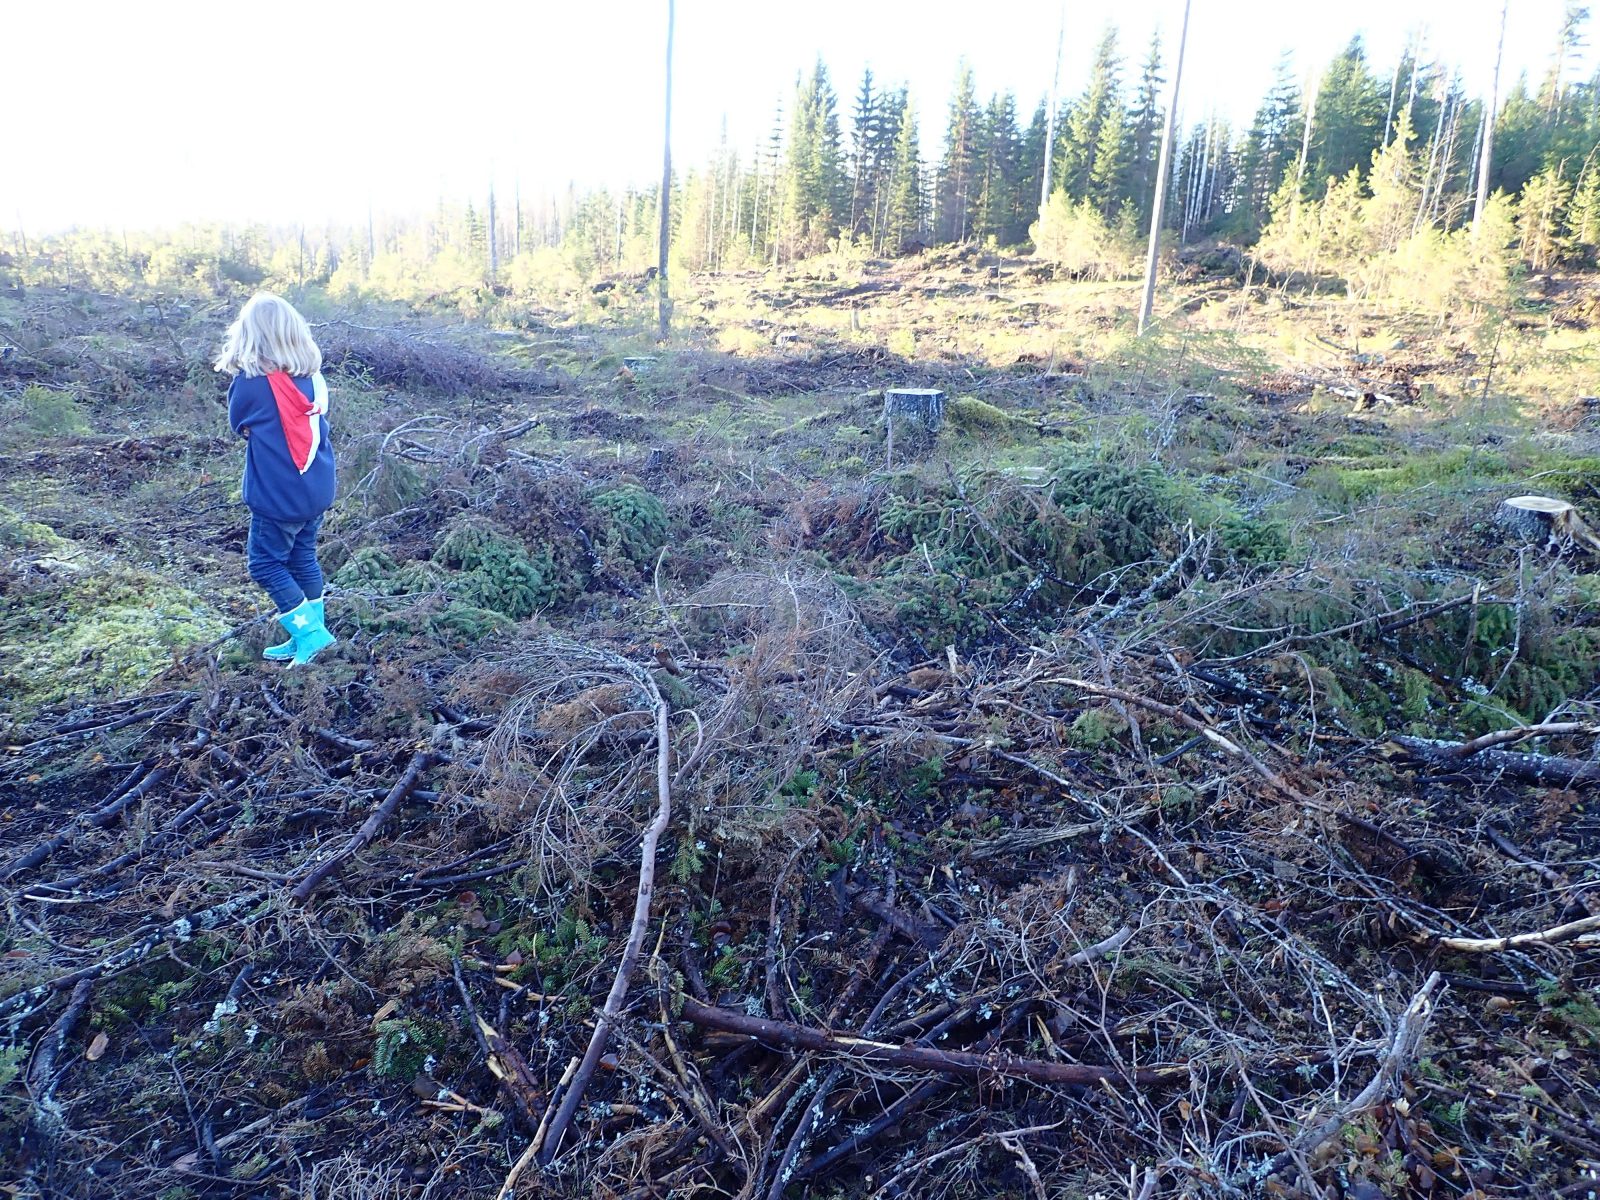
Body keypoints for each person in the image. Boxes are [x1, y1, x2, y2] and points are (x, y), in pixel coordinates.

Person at [217, 292, 337, 666]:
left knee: (265, 565)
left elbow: (239, 425)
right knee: (302, 558)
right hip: (315, 488)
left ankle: (312, 635)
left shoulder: (252, 383)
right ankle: (303, 634)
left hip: (278, 496)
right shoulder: (313, 377)